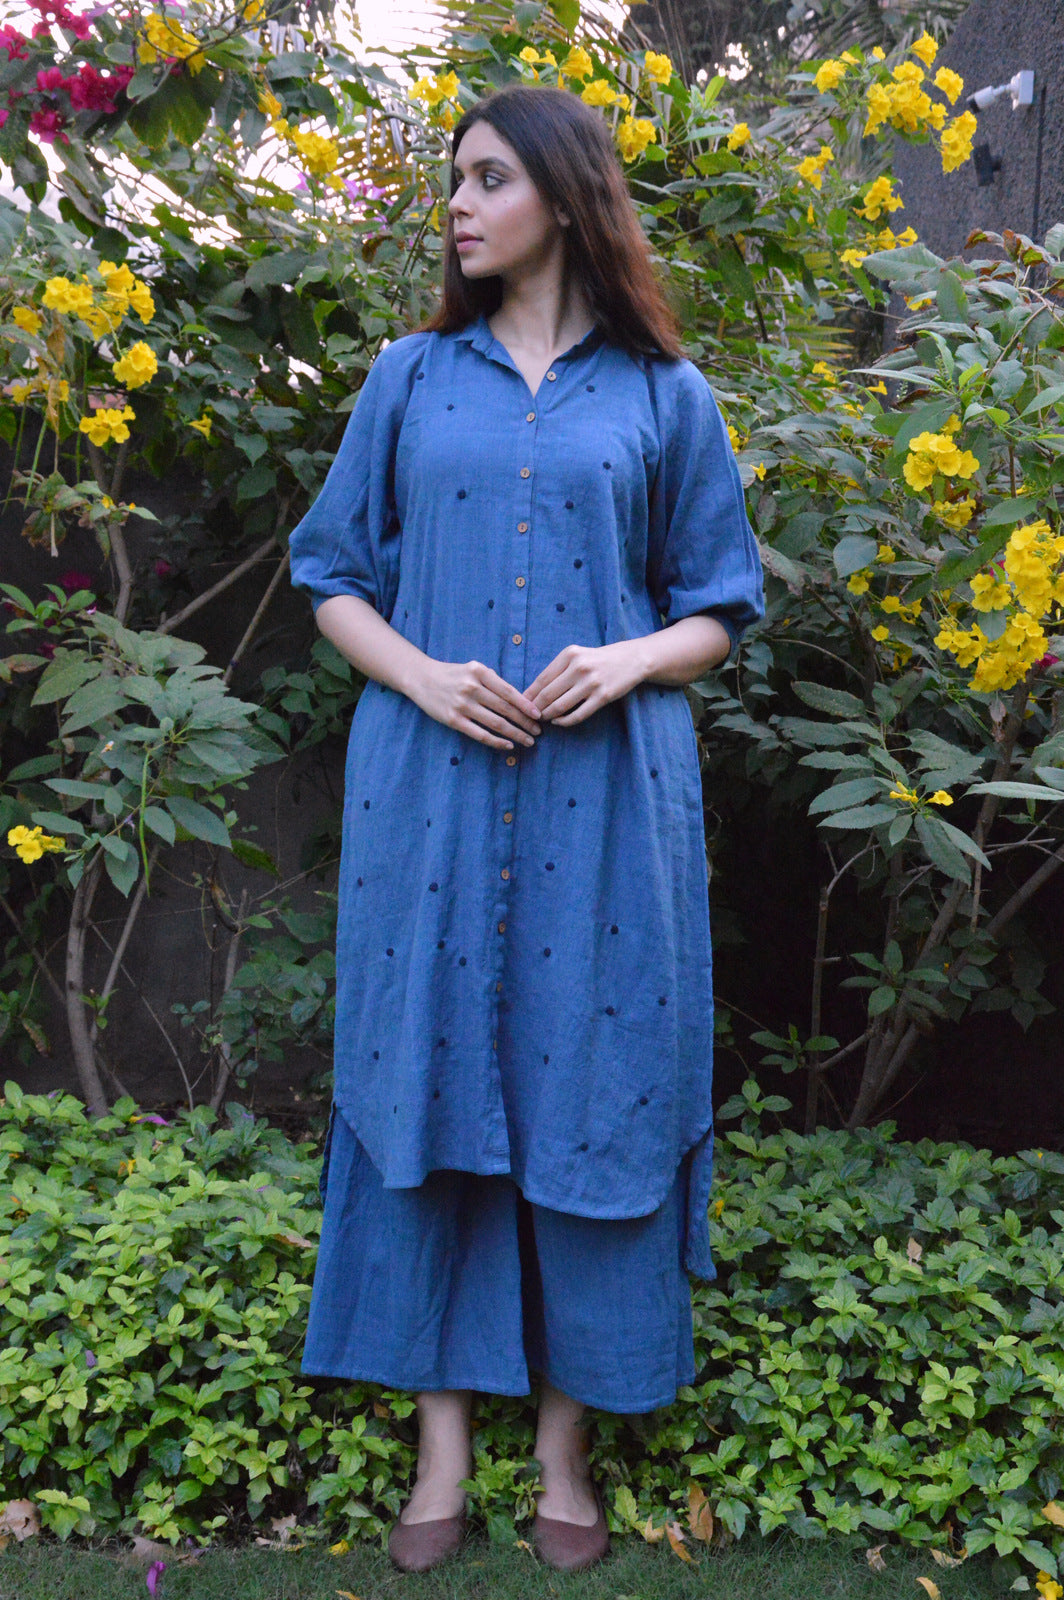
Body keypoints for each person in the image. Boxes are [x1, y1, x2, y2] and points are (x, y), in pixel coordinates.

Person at [287, 80, 764, 1575]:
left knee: (593, 1083)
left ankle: (564, 1448)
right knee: (427, 1077)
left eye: (489, 176)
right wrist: (425, 676)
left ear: (564, 193)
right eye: (455, 179)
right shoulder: (410, 379)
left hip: (606, 801)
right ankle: (440, 1449)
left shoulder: (664, 396)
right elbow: (330, 574)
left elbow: (722, 605)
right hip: (428, 794)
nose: (459, 203)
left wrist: (629, 657)